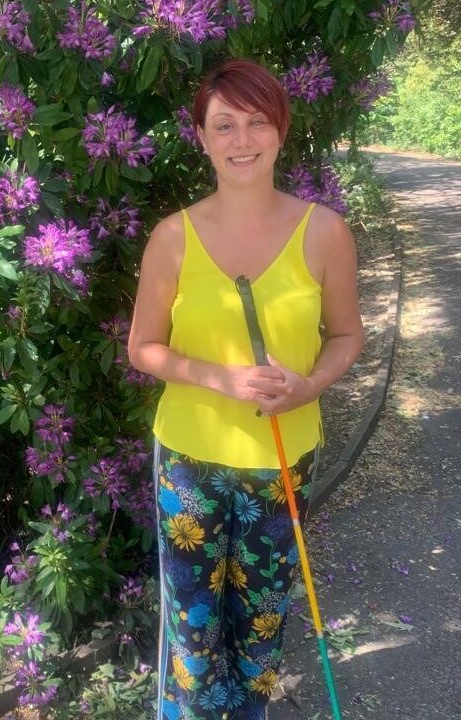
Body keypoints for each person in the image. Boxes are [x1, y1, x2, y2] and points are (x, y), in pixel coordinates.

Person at [128, 59, 364, 720]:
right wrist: (222, 377)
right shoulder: (172, 238)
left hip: (281, 461)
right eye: (223, 124)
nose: (241, 138)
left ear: (281, 130)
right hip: (189, 461)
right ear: (201, 136)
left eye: (257, 121)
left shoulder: (324, 233)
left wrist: (310, 384)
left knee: (261, 620)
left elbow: (347, 336)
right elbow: (142, 347)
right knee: (192, 633)